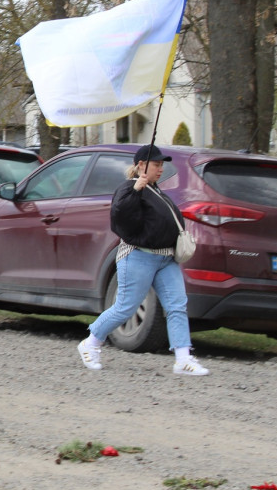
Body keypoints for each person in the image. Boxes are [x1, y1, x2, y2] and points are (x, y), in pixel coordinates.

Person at [77, 144, 210, 376]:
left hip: (166, 258)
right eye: (156, 164)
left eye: (161, 165)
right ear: (141, 165)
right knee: (125, 307)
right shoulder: (128, 189)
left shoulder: (156, 190)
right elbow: (120, 217)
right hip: (138, 256)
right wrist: (136, 190)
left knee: (177, 305)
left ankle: (183, 359)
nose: (161, 169)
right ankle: (91, 343)